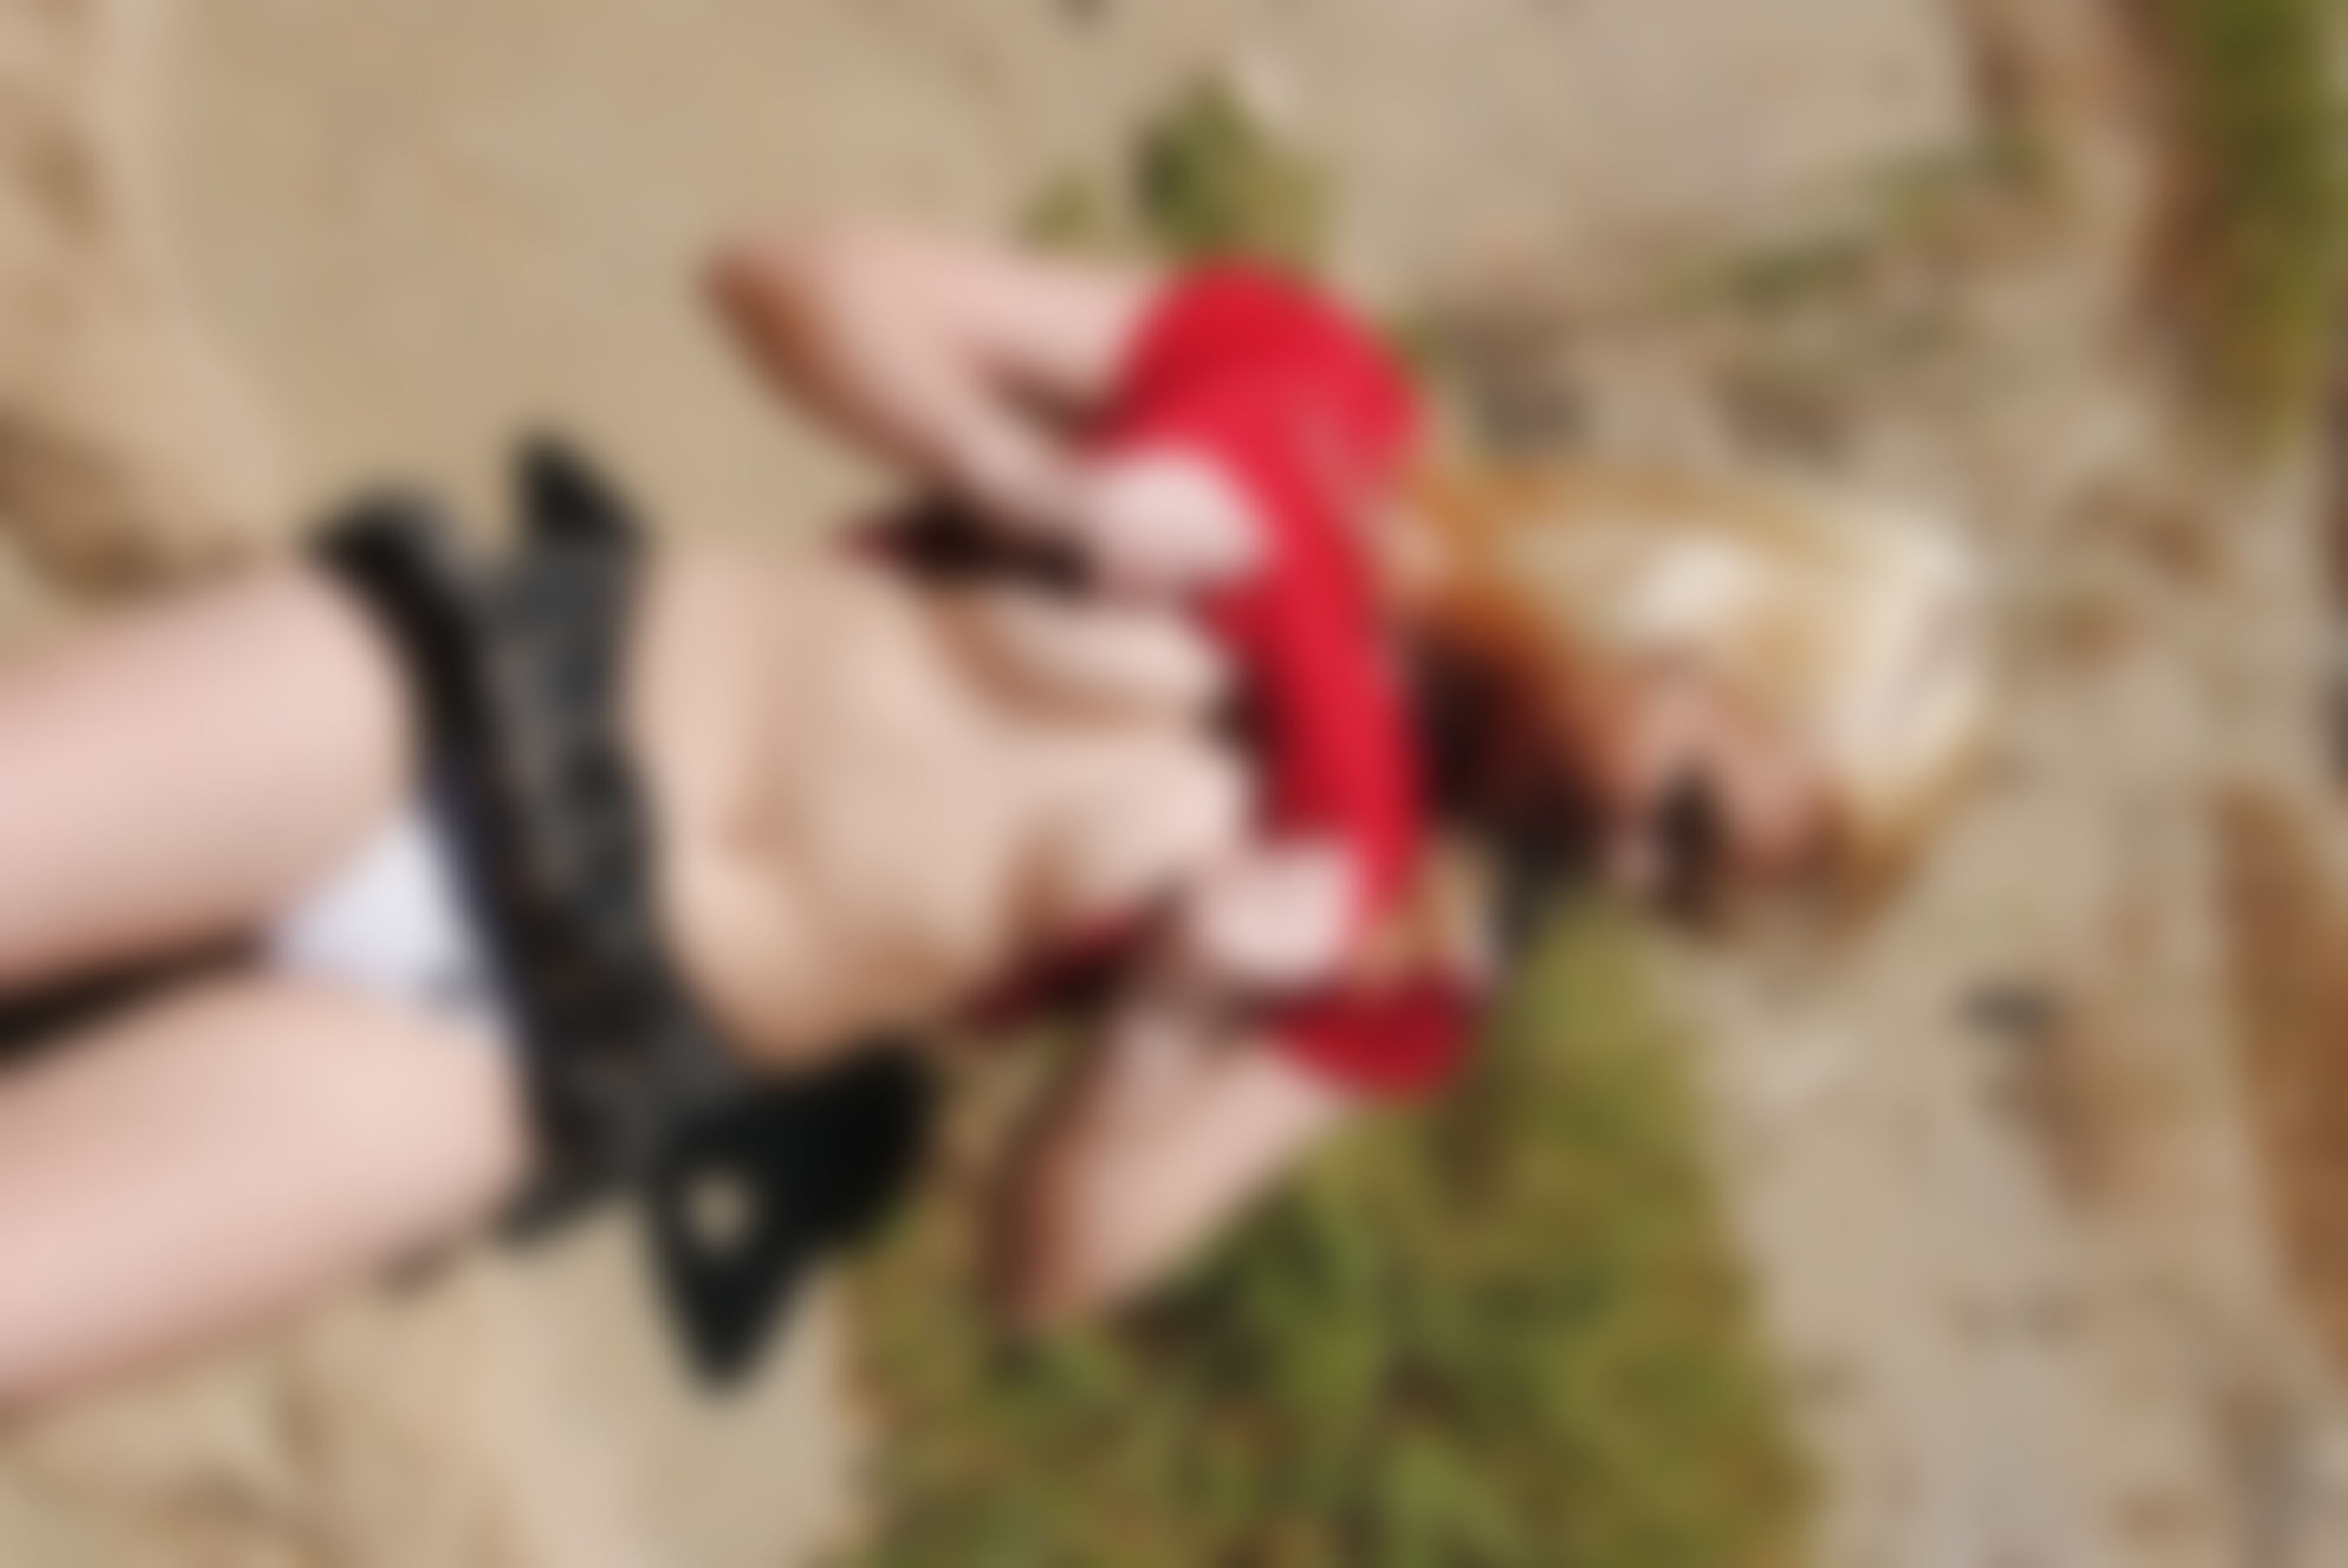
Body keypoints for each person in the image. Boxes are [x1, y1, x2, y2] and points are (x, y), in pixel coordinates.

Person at [0, 220, 1985, 1416]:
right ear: (1692, 620)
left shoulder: (1409, 950)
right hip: (473, 703)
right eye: (1681, 810)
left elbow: (1054, 1268)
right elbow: (786, 279)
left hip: (523, 1043)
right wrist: (1024, 482)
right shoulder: (1317, 400)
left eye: (1678, 890)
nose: (1622, 869)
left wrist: (1164, 1027)